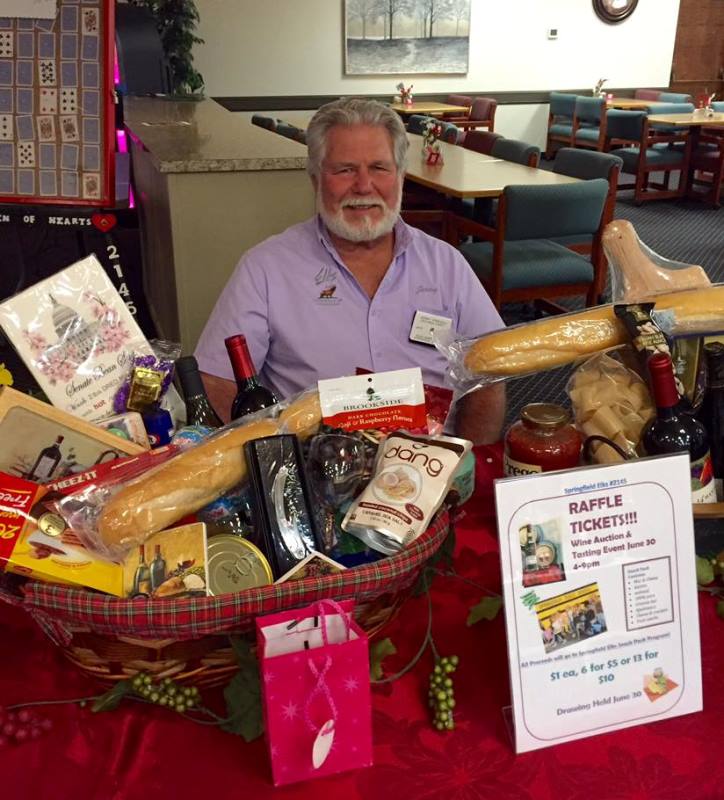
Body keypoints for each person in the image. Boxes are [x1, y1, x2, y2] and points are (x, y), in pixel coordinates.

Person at [195, 98, 506, 443]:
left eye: (379, 168)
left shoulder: (446, 265)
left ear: (401, 176)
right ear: (315, 179)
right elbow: (217, 382)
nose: (363, 185)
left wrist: (470, 462)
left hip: (431, 466)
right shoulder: (266, 268)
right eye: (344, 169)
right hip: (316, 471)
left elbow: (487, 374)